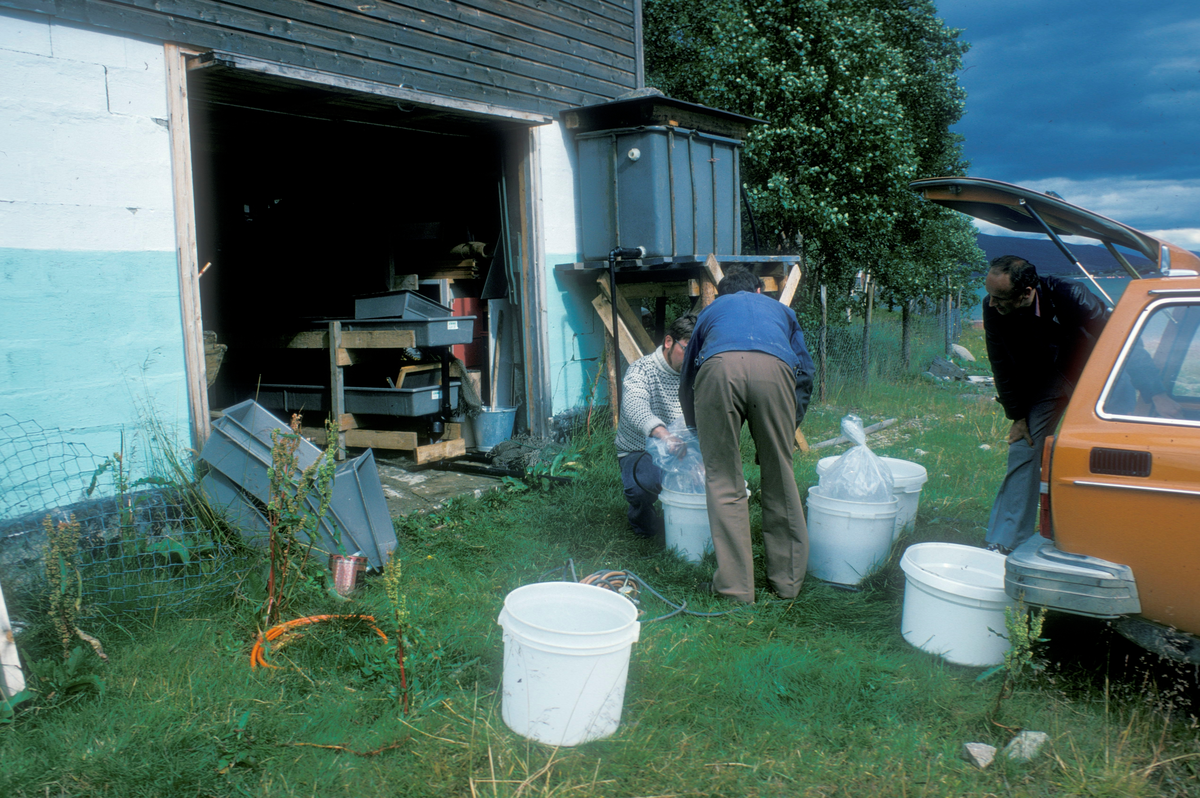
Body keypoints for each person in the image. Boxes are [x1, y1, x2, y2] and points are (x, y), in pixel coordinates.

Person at [679, 266, 815, 603]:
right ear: (759, 292)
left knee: (723, 480)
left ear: (722, 295)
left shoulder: (711, 311)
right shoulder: (782, 311)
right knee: (780, 478)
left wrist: (700, 429)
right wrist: (787, 428)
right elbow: (806, 371)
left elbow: (688, 376)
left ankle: (735, 589)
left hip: (718, 369)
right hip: (775, 370)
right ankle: (787, 583)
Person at [982, 255, 1109, 554]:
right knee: (1024, 445)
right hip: (1050, 377)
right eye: (989, 295)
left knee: (1101, 453)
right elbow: (999, 361)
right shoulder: (993, 308)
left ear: (1026, 293)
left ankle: (1096, 539)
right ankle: (1006, 541)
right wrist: (1017, 416)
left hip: (1096, 374)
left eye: (1000, 298)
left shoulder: (1070, 294)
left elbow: (1121, 339)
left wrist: (1153, 392)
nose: (991, 304)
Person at [615, 314, 696, 538]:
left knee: (709, 480)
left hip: (684, 446)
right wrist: (665, 436)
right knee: (642, 488)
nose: (692, 358)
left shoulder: (697, 372)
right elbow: (635, 406)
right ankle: (646, 526)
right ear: (669, 341)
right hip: (639, 448)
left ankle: (693, 525)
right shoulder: (641, 370)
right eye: (687, 349)